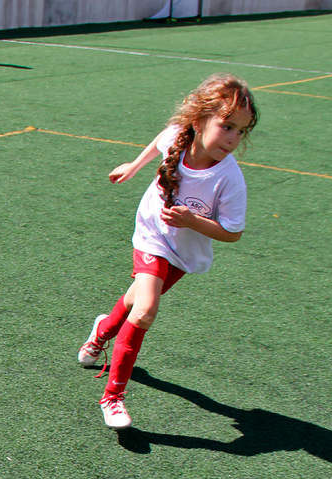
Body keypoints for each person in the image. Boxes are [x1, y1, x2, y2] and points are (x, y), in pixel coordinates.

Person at [77, 73, 258, 430]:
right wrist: (133, 166)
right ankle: (112, 397)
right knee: (145, 310)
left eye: (241, 130)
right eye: (227, 126)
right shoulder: (180, 136)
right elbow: (162, 138)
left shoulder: (230, 179)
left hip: (183, 252)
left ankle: (100, 334)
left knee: (134, 301)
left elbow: (232, 234)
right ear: (199, 117)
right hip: (151, 235)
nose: (233, 138)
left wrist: (192, 221)